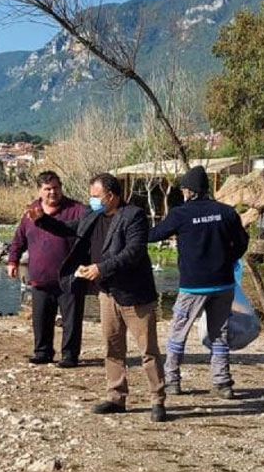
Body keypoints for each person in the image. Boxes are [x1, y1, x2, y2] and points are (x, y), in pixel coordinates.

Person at [30, 173, 167, 420]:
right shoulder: (92, 215)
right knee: (112, 348)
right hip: (107, 294)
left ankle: (157, 400)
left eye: (96, 196)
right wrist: (42, 221)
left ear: (111, 196)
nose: (91, 201)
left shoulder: (133, 215)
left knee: (148, 350)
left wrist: (101, 268)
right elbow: (68, 229)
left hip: (135, 294)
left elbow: (133, 252)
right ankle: (116, 396)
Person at [146, 166, 249, 398]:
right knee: (220, 333)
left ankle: (172, 380)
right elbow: (243, 242)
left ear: (188, 190)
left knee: (178, 332)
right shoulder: (227, 212)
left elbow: (153, 235)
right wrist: (229, 259)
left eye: (183, 189)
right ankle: (222, 383)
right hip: (223, 284)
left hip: (193, 285)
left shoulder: (180, 214)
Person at [8, 171, 89, 367]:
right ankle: (42, 352)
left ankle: (70, 355)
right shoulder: (31, 212)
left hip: (70, 276)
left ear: (61, 187)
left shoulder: (78, 210)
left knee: (71, 320)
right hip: (40, 276)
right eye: (47, 189)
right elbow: (19, 239)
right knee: (41, 318)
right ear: (40, 190)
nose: (52, 192)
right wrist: (13, 260)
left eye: (56, 188)